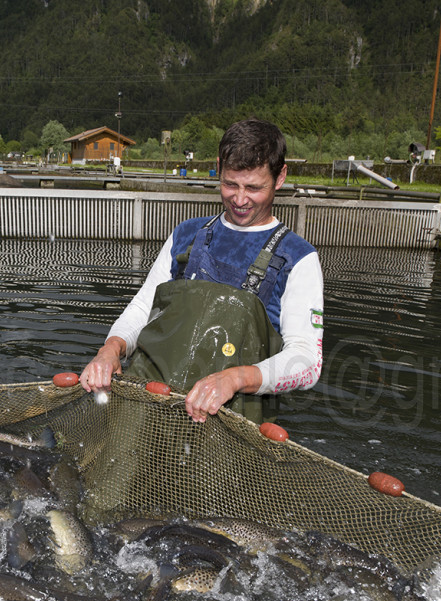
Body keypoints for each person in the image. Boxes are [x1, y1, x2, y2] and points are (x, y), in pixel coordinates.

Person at [80, 118, 323, 424]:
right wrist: (111, 349)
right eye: (230, 183)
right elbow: (143, 308)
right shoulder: (186, 235)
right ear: (219, 168)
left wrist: (235, 379)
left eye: (254, 187)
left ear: (281, 177)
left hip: (230, 428)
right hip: (148, 411)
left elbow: (307, 363)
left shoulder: (298, 258)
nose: (239, 199)